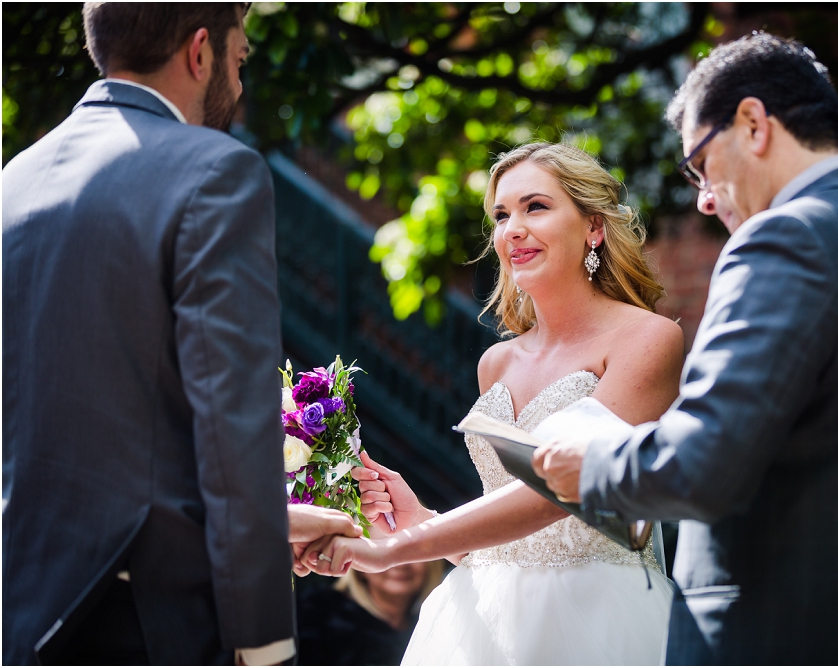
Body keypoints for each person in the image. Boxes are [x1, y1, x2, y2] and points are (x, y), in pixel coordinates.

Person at [533, 32, 838, 664]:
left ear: (752, 124)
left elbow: (704, 462)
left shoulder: (785, 239)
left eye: (699, 165)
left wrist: (593, 460)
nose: (705, 197)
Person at [2, 4, 359, 663]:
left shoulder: (14, 178)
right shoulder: (215, 171)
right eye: (240, 59)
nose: (241, 83)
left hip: (24, 618)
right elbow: (232, 428)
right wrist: (264, 645)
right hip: (146, 624)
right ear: (201, 53)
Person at [299, 142, 686, 665]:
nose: (512, 229)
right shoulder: (496, 363)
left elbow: (556, 493)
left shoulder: (648, 339)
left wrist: (391, 548)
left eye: (536, 207)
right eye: (501, 215)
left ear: (594, 227)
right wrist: (419, 518)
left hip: (601, 620)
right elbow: (511, 542)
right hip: (483, 624)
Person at [296, 560, 445, 665]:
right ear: (359, 566)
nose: (401, 563)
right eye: (385, 550)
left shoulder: (438, 628)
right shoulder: (319, 616)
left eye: (413, 551)